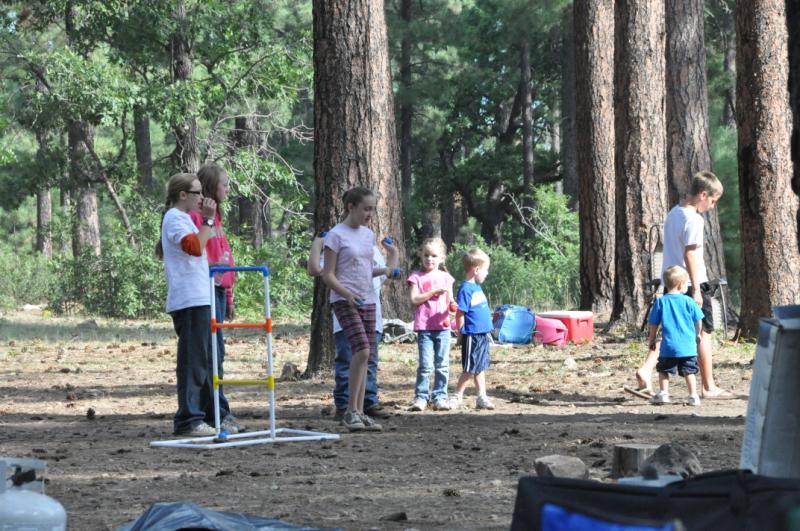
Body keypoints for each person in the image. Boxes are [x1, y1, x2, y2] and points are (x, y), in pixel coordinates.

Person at [635, 171, 733, 398]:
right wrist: (696, 289)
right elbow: (690, 254)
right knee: (703, 332)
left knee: (671, 331)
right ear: (703, 194)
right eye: (713, 201)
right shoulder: (694, 219)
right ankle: (708, 387)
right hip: (689, 283)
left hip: (671, 282)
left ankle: (646, 369)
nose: (712, 206)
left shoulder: (673, 213)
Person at [321, 187, 398, 432]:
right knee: (362, 350)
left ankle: (360, 411)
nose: (370, 214)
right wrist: (347, 294)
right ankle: (350, 411)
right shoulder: (335, 236)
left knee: (367, 355)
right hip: (344, 300)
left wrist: (386, 268)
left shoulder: (368, 235)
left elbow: (365, 269)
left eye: (372, 209)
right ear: (350, 207)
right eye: (366, 209)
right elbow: (327, 274)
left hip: (367, 300)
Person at [155, 173, 218, 436]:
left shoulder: (184, 219)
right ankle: (188, 419)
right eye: (197, 192)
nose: (202, 197)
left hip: (199, 297)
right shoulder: (175, 218)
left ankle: (205, 415)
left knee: (203, 360)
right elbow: (193, 247)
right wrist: (208, 220)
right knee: (192, 362)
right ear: (183, 195)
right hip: (189, 299)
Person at [307, 233, 392, 422]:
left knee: (368, 361)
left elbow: (385, 276)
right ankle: (345, 405)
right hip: (347, 311)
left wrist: (393, 255)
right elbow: (316, 269)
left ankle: (367, 403)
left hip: (372, 313)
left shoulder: (371, 245)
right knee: (349, 358)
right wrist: (318, 243)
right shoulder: (339, 243)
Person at [189, 162, 243, 434]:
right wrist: (207, 220)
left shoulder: (217, 218)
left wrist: (229, 295)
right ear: (212, 187)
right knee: (212, 353)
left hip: (220, 290)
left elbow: (225, 257)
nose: (228, 189)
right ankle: (217, 413)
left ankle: (217, 411)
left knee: (218, 353)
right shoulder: (198, 216)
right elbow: (199, 254)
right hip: (206, 289)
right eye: (225, 184)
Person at [407, 237, 455, 412]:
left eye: (434, 255)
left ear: (442, 258)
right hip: (424, 327)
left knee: (442, 365)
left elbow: (451, 301)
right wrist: (433, 292)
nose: (429, 259)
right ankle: (421, 397)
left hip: (443, 327)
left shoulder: (446, 278)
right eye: (426, 255)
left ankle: (440, 397)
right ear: (420, 255)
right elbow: (414, 299)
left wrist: (454, 307)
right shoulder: (416, 277)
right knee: (425, 365)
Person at [647, 266, 703, 406]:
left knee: (663, 370)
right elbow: (698, 319)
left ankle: (664, 393)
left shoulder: (661, 302)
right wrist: (698, 333)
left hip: (668, 346)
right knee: (689, 371)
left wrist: (652, 339)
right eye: (686, 284)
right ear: (681, 285)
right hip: (688, 347)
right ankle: (693, 395)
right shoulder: (689, 301)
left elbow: (653, 323)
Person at [450, 248, 495, 410]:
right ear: (476, 270)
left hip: (482, 334)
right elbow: (460, 314)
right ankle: (457, 396)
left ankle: (481, 397)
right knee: (469, 368)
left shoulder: (477, 287)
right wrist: (460, 334)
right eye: (485, 270)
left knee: (480, 367)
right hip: (472, 335)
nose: (487, 273)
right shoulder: (465, 289)